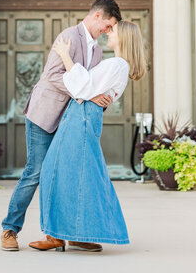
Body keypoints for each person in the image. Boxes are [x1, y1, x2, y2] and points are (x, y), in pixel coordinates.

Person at [1, 0, 122, 252]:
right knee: (36, 172)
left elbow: (93, 84)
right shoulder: (68, 36)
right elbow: (53, 76)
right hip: (44, 115)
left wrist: (104, 97)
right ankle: (10, 229)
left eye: (111, 29)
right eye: (108, 25)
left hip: (71, 121)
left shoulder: (98, 50)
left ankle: (72, 233)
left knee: (70, 175)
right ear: (97, 16)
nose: (108, 31)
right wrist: (86, 95)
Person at [29, 20, 146, 252]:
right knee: (76, 175)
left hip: (80, 117)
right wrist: (91, 94)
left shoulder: (117, 64)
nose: (108, 32)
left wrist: (65, 55)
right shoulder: (117, 64)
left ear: (123, 37)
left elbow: (81, 86)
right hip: (82, 115)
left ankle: (57, 235)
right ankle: (73, 234)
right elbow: (89, 89)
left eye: (113, 30)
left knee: (56, 171)